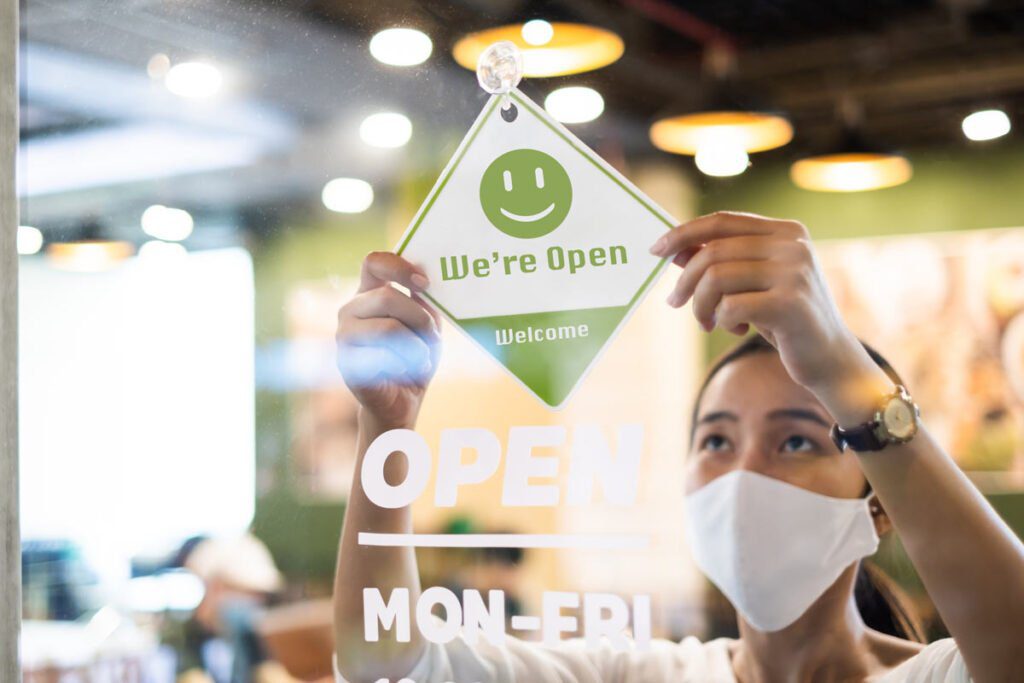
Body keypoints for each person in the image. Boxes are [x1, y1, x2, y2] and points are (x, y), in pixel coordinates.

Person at [332, 212, 1024, 682]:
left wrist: (841, 366)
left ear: (878, 508)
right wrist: (386, 427)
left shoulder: (935, 673)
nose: (744, 472)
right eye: (716, 439)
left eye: (795, 439)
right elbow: (383, 660)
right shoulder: (646, 672)